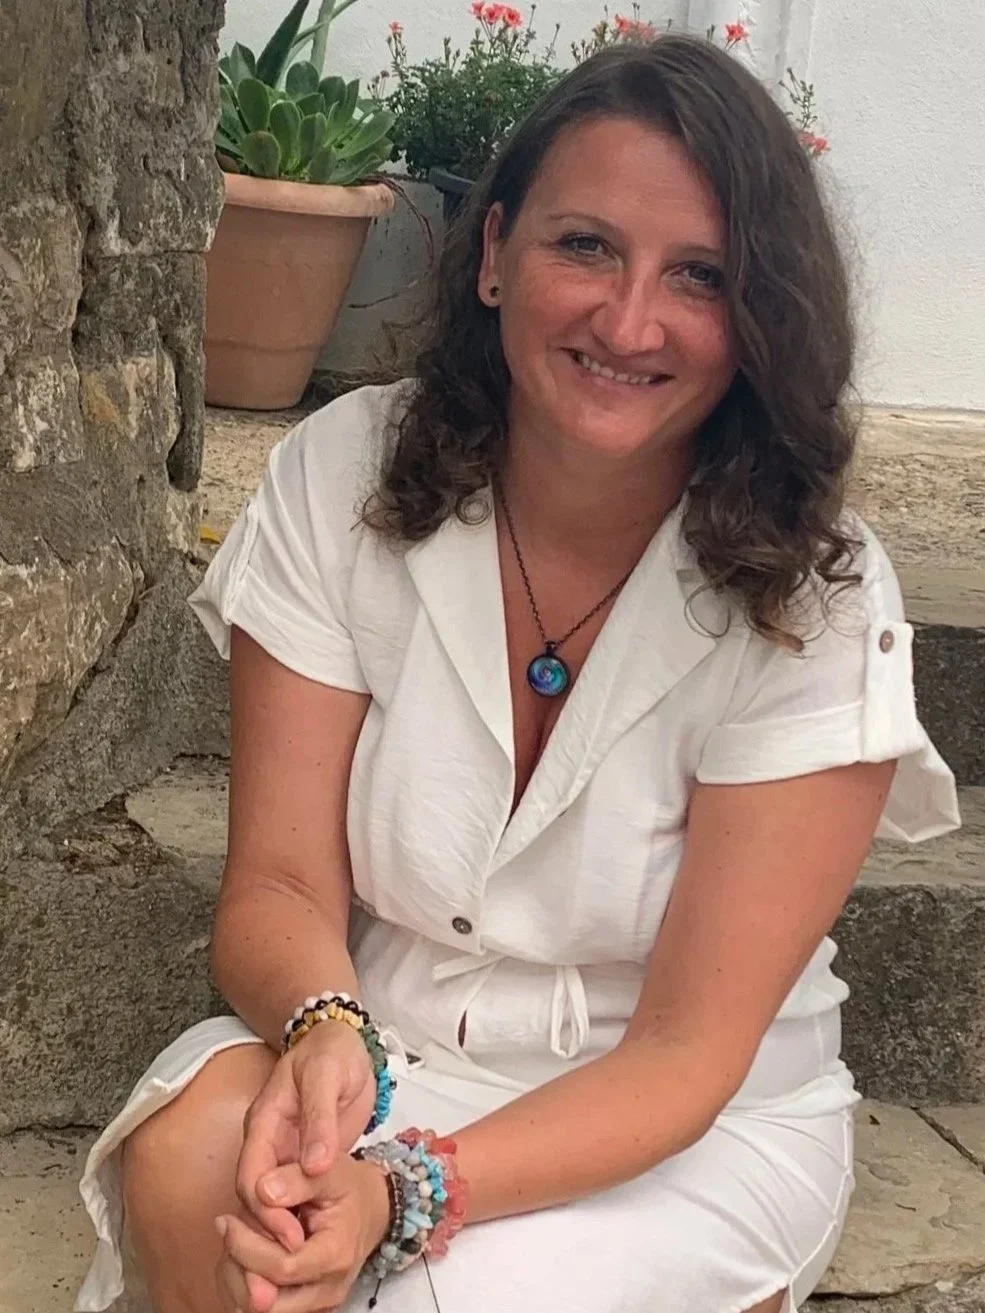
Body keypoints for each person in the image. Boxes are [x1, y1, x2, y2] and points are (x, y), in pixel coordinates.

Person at [76, 33, 959, 1313]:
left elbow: (683, 1054)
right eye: (585, 245)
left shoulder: (818, 590)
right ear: (494, 254)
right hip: (388, 1044)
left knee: (435, 1297)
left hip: (675, 1117)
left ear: (760, 317)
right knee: (184, 1170)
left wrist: (398, 1195)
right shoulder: (345, 475)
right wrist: (327, 1021)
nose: (629, 319)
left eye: (701, 275)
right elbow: (274, 882)